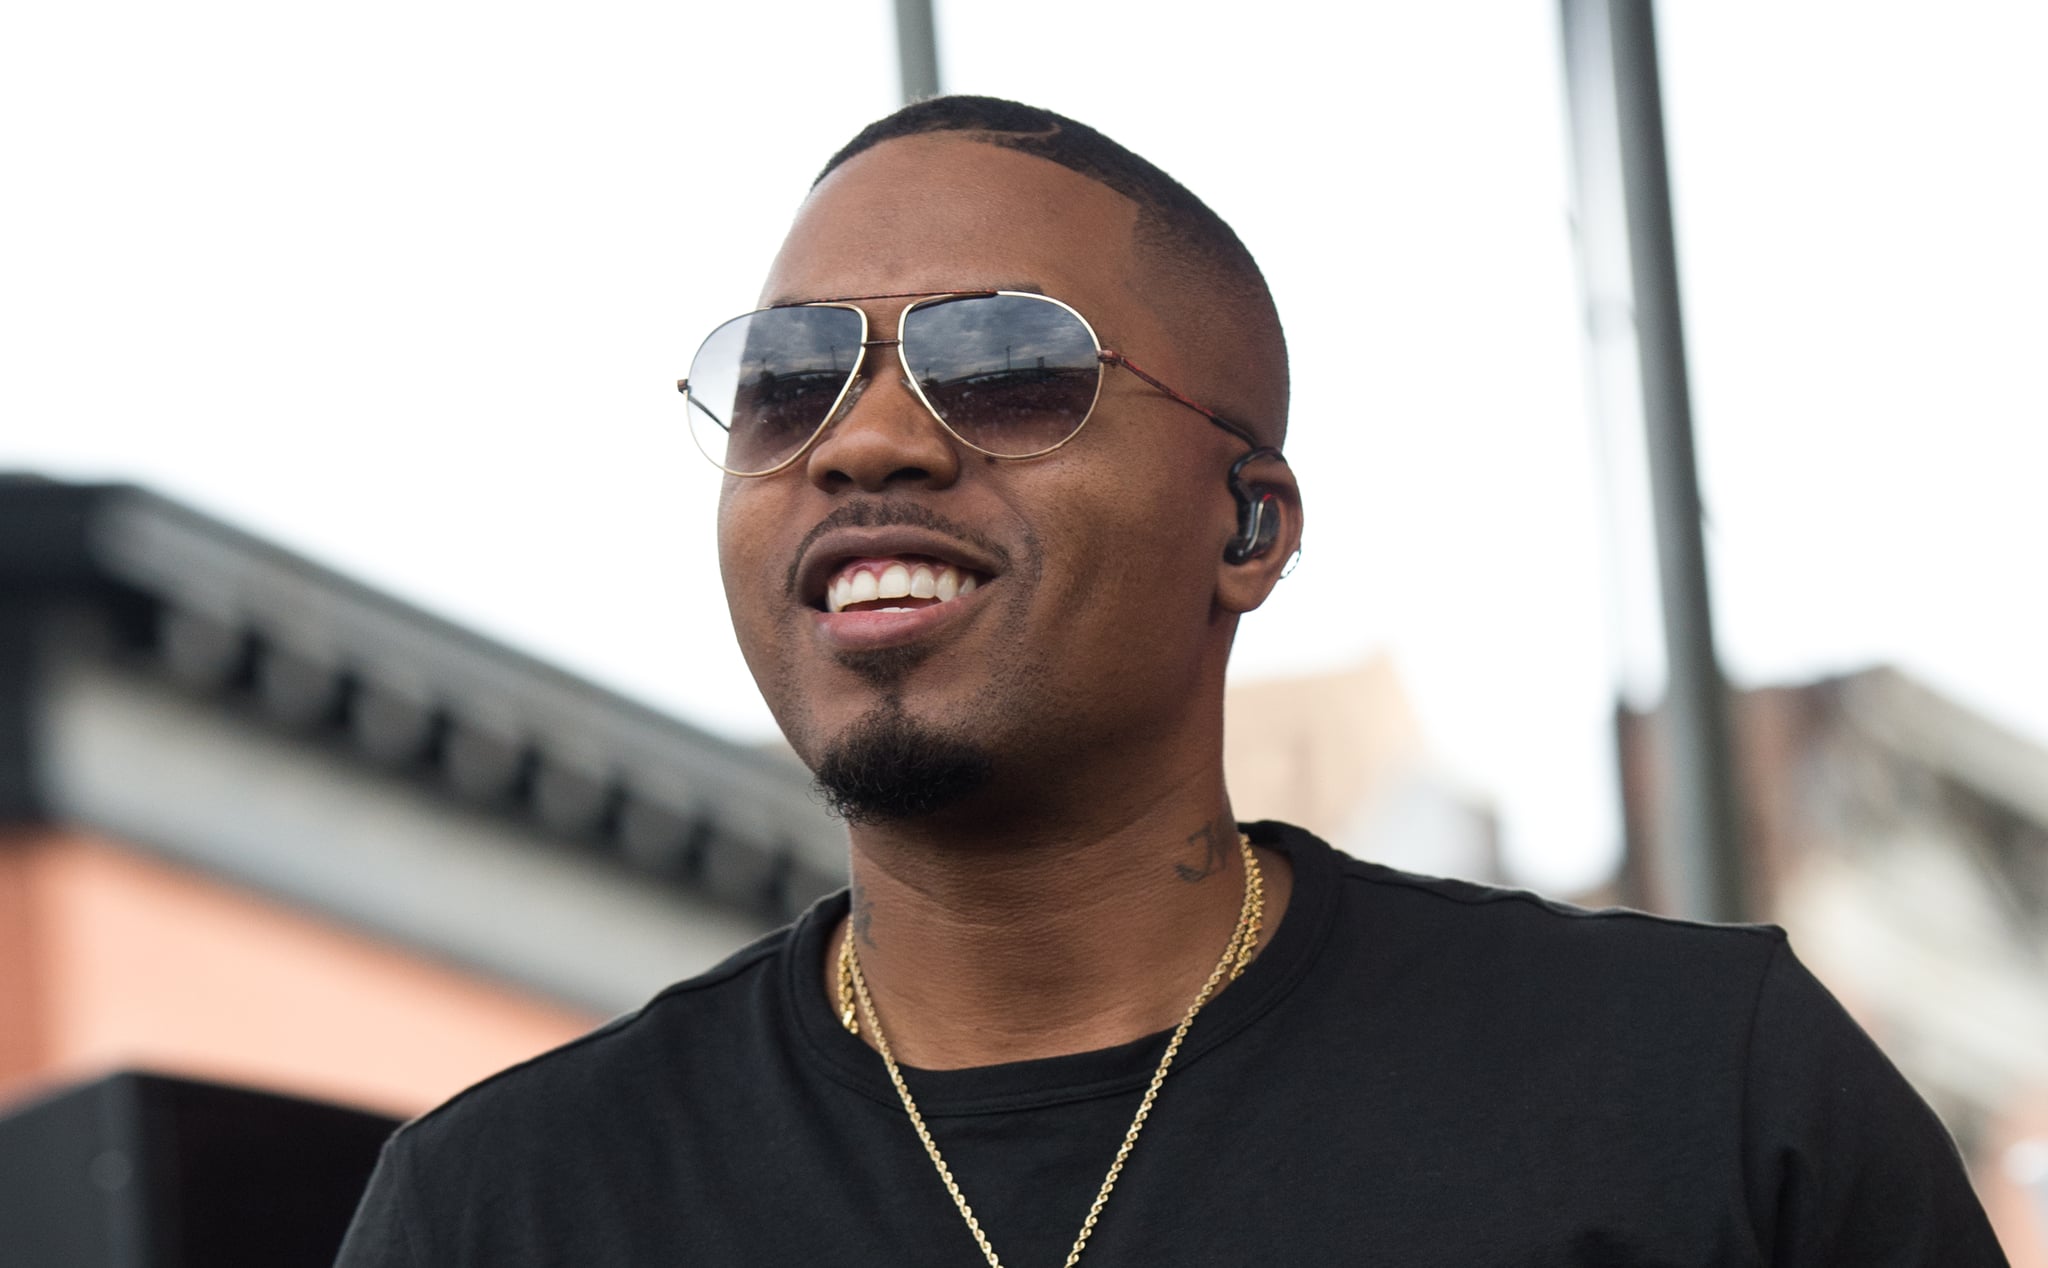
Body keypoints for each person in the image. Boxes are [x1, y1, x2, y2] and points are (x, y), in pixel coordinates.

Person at [336, 96, 2006, 1267]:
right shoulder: (508, 1208)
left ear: (1249, 523)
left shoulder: (1697, 1094)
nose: (866, 437)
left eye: (1002, 366)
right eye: (783, 382)